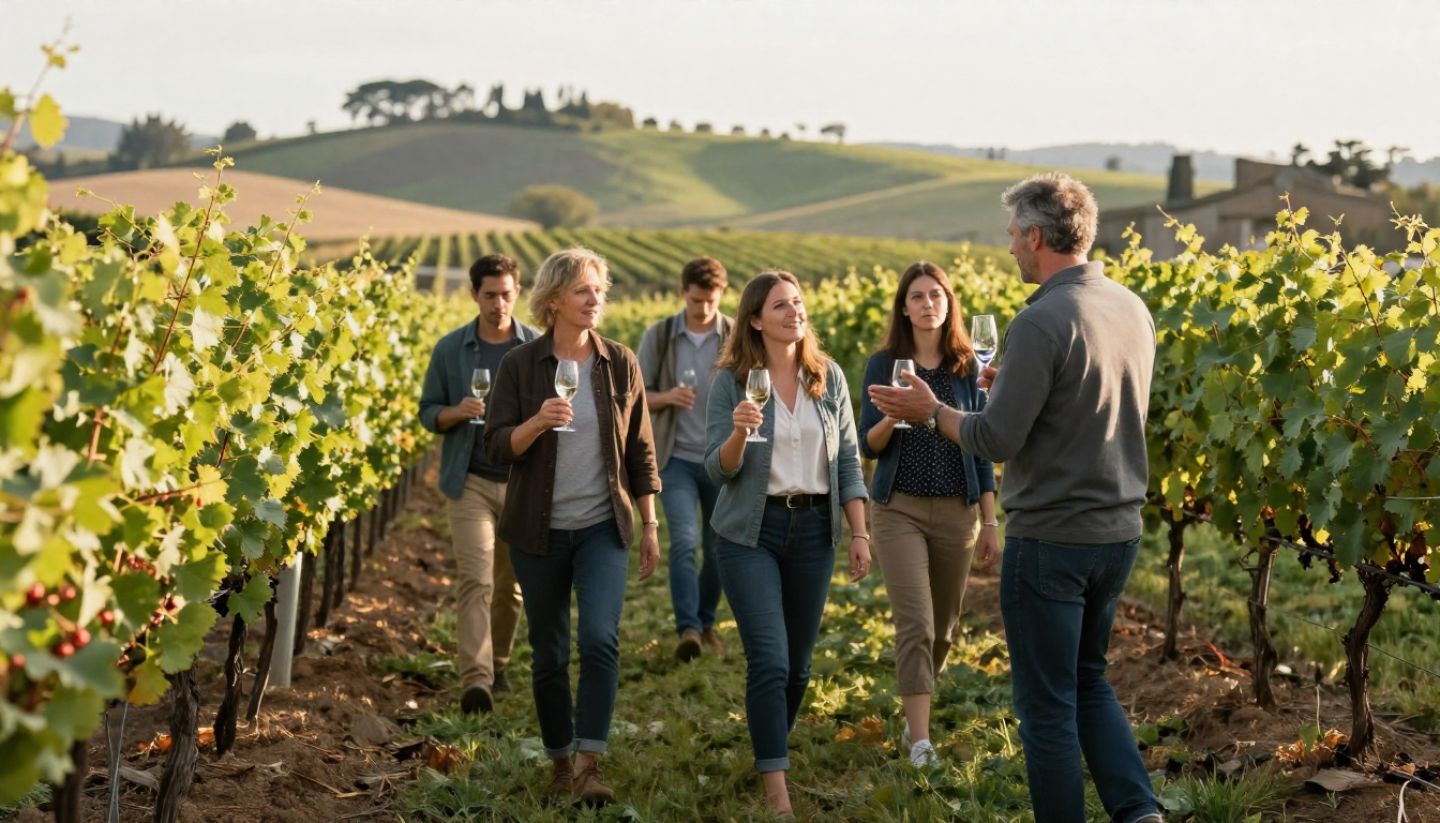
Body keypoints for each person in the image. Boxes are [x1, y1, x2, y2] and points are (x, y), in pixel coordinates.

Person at [869, 173, 1163, 823]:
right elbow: (1087, 401)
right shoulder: (1129, 308)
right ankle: (1140, 812)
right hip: (1117, 533)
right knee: (1088, 679)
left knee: (1046, 707)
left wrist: (931, 410)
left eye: (1011, 235)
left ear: (1035, 236)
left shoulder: (1040, 320)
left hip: (1052, 538)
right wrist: (1014, 387)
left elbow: (994, 439)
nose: (1008, 248)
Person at [483, 247, 662, 807]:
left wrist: (650, 523)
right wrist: (537, 421)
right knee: (550, 653)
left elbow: (641, 450)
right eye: (584, 290)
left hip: (601, 527)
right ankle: (560, 762)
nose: (595, 299)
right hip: (537, 533)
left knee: (601, 640)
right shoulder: (520, 365)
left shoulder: (620, 362)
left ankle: (590, 765)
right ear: (554, 299)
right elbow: (495, 445)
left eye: (599, 290)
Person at [705, 270, 870, 819]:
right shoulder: (731, 382)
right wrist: (738, 432)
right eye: (780, 305)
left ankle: (771, 736)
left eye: (797, 302)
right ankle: (777, 790)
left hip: (814, 532)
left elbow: (848, 461)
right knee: (770, 660)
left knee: (798, 668)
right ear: (755, 319)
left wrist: (859, 531)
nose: (794, 311)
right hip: (750, 533)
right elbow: (718, 470)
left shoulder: (828, 377)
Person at [858, 261, 999, 768]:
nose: (927, 304)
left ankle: (912, 714)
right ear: (904, 307)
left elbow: (980, 447)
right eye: (917, 296)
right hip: (899, 509)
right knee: (915, 624)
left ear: (948, 303)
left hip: (958, 514)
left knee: (943, 630)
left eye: (936, 295)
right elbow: (868, 445)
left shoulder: (966, 368)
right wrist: (892, 417)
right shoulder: (884, 365)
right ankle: (921, 742)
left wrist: (991, 520)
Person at [418, 254, 539, 714]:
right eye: (490, 295)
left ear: (517, 293)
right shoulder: (450, 349)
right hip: (469, 481)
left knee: (510, 586)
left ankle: (499, 662)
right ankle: (476, 680)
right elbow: (428, 412)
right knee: (476, 579)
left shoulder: (537, 346)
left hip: (522, 482)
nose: (498, 303)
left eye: (506, 294)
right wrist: (456, 412)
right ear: (474, 295)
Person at [636, 256, 734, 661]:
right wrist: (667, 397)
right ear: (683, 293)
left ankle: (706, 622)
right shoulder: (659, 336)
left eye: (711, 300)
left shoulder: (736, 336)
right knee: (685, 541)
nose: (704, 309)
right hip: (674, 457)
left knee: (718, 548)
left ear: (721, 295)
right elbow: (636, 397)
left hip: (722, 460)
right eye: (696, 301)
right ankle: (688, 629)